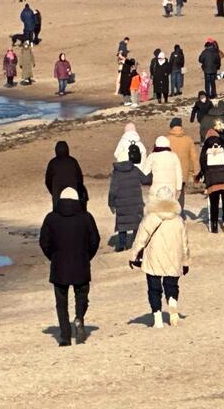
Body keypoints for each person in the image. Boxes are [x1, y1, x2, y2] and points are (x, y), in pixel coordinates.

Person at [39, 187, 100, 347]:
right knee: (82, 296)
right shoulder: (86, 217)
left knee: (61, 303)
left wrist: (53, 256)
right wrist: (86, 256)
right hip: (81, 264)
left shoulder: (51, 218)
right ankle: (79, 317)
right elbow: (95, 240)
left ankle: (65, 337)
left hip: (59, 266)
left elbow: (44, 242)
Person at [127, 186, 190, 329]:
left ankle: (157, 318)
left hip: (154, 258)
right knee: (171, 285)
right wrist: (186, 262)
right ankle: (172, 304)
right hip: (174, 258)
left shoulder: (150, 218)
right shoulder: (179, 220)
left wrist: (133, 255)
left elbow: (140, 239)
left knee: (154, 288)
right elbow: (184, 244)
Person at [197, 119, 224, 233]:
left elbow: (202, 160)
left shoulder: (207, 143)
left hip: (212, 176)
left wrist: (205, 174)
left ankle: (214, 225)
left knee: (214, 200)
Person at [109, 146, 152, 252]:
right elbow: (146, 180)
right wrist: (153, 171)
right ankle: (136, 243)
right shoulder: (135, 170)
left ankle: (122, 245)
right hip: (135, 204)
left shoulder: (116, 173)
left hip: (121, 205)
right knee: (136, 224)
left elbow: (112, 190)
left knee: (122, 226)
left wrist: (111, 203)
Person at [167, 118, 199, 217]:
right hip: (183, 172)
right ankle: (180, 213)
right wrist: (195, 171)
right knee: (180, 193)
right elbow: (194, 157)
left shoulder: (166, 140)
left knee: (169, 193)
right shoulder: (188, 140)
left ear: (171, 127)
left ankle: (170, 213)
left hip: (169, 171)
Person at [45, 140, 85, 209]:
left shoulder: (53, 163)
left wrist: (53, 192)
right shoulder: (73, 161)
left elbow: (48, 181)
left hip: (57, 193)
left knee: (58, 212)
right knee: (73, 209)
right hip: (72, 191)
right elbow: (79, 178)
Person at [141, 136, 183, 200]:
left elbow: (145, 172)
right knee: (169, 205)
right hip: (171, 188)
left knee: (156, 205)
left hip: (156, 188)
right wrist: (179, 188)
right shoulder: (174, 156)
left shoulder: (152, 156)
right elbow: (179, 174)